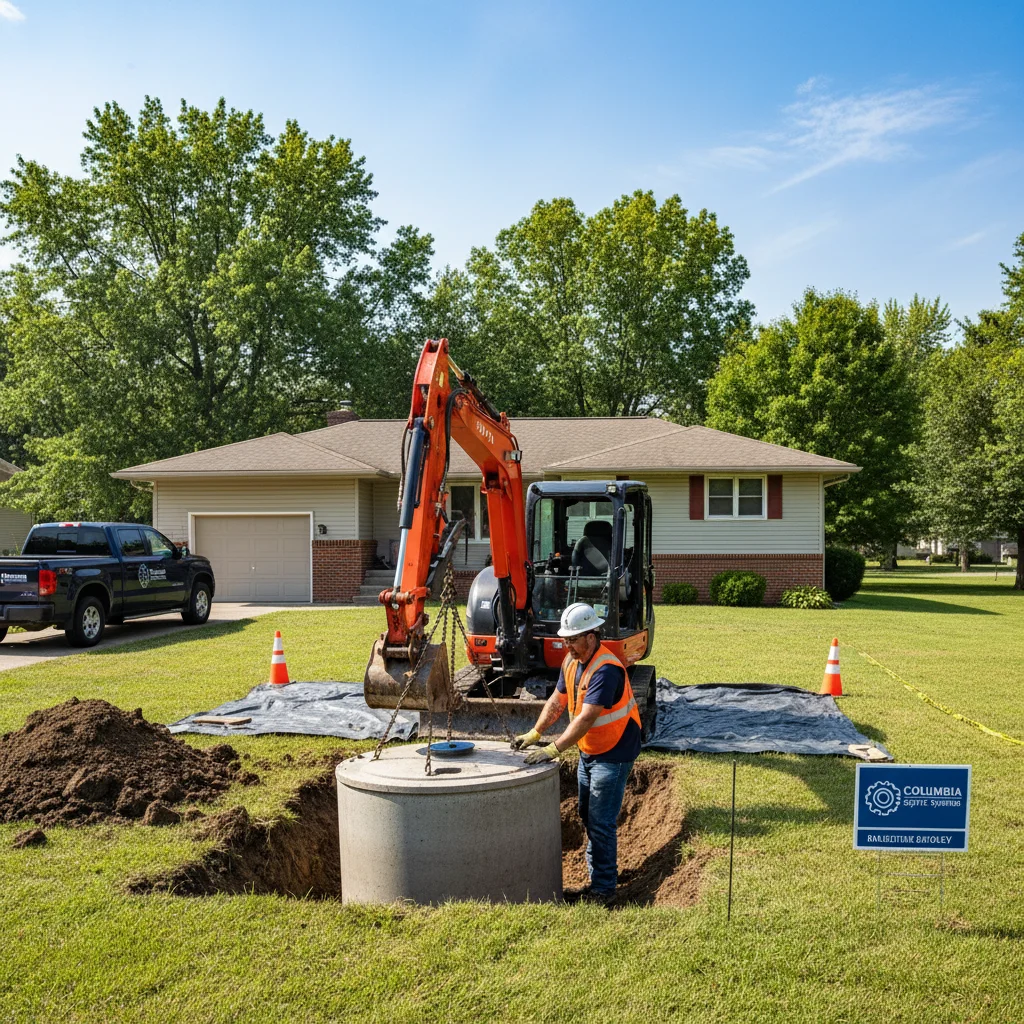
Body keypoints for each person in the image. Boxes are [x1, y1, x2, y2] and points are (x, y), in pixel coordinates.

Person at [511, 601, 642, 906]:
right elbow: (558, 701)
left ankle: (604, 890)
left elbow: (585, 718)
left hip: (615, 751)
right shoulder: (572, 662)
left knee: (600, 821)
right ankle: (601, 876)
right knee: (587, 815)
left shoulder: (606, 670)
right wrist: (536, 732)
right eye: (566, 639)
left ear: (592, 636)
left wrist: (553, 749)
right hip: (590, 750)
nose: (566, 644)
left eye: (572, 639)